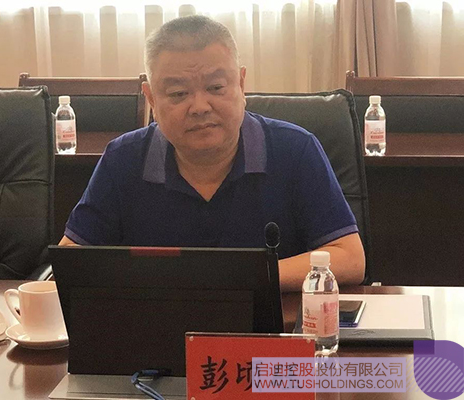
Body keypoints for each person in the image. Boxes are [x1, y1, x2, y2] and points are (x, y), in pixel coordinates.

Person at [59, 15, 365, 291]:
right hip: (158, 328)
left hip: (270, 332)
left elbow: (350, 258)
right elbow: (71, 261)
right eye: (178, 93)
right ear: (151, 99)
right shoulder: (123, 159)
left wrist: (240, 277)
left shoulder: (295, 150)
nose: (200, 107)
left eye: (216, 88)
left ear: (241, 84)